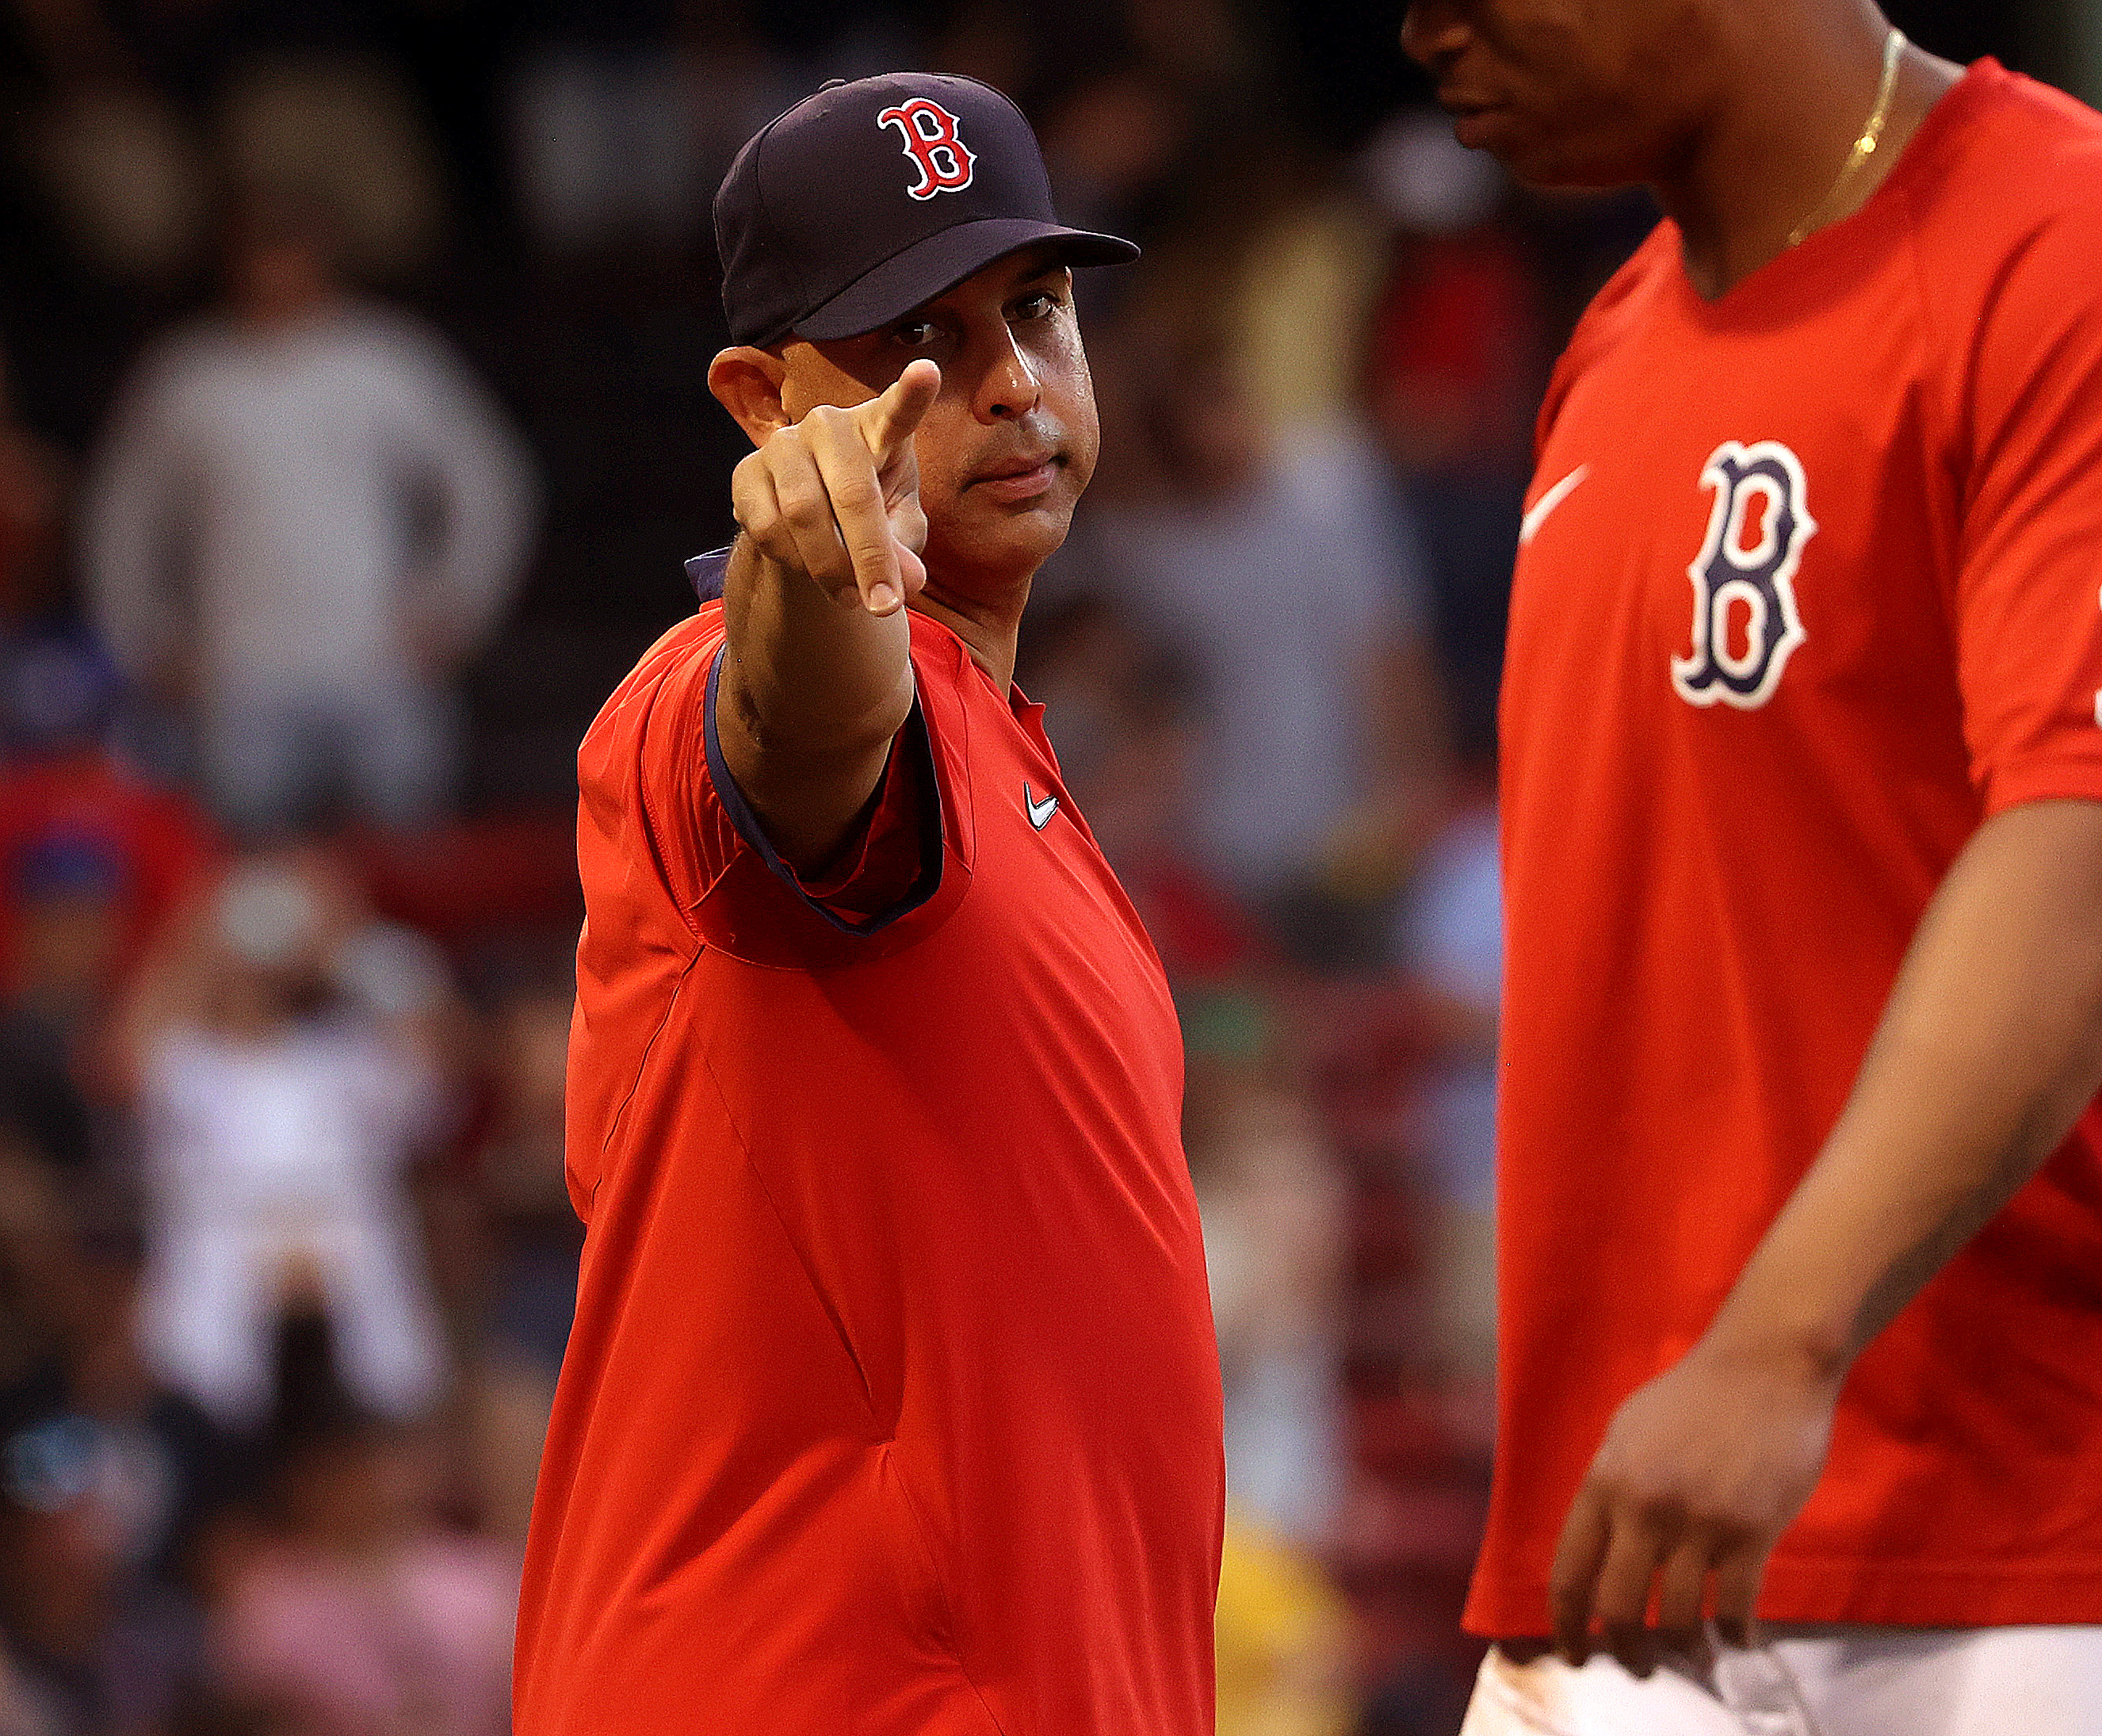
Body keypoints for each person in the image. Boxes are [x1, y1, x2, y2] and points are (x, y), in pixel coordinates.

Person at [1399, 3, 2102, 1730]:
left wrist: (1775, 1345)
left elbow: (2080, 840)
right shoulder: (1613, 341)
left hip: (2010, 1551)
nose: (1422, 30)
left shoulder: (2055, 245)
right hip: (1620, 1561)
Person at [511, 74, 1224, 1736]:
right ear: (766, 402)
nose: (1003, 384)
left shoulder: (1015, 756)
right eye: (917, 337)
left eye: (1035, 313)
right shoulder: (722, 685)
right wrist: (816, 590)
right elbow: (804, 744)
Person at [80, 189, 537, 837]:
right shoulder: (188, 378)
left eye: (291, 248)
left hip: (376, 659)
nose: (276, 268)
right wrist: (148, 640)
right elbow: (123, 520)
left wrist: (457, 605)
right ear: (232, 260)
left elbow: (486, 483)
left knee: (402, 858)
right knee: (246, 863)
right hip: (239, 669)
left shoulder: (385, 360)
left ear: (323, 254)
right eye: (261, 249)